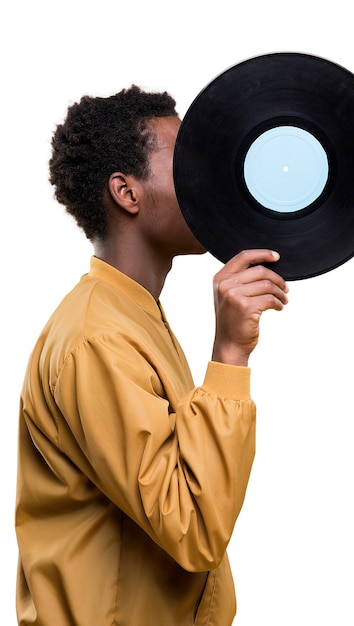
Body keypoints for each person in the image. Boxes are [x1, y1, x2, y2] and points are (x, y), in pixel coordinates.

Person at [15, 85, 289, 626]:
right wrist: (229, 353)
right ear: (127, 193)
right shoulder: (100, 338)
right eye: (185, 162)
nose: (208, 177)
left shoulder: (130, 314)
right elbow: (192, 528)